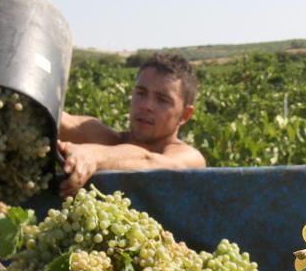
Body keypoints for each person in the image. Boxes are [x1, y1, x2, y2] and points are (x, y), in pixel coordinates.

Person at [56, 52, 206, 196]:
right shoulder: (106, 140)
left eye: (162, 100)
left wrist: (95, 156)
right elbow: (62, 121)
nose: (146, 105)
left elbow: (150, 161)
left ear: (184, 116)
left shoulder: (189, 158)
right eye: (141, 93)